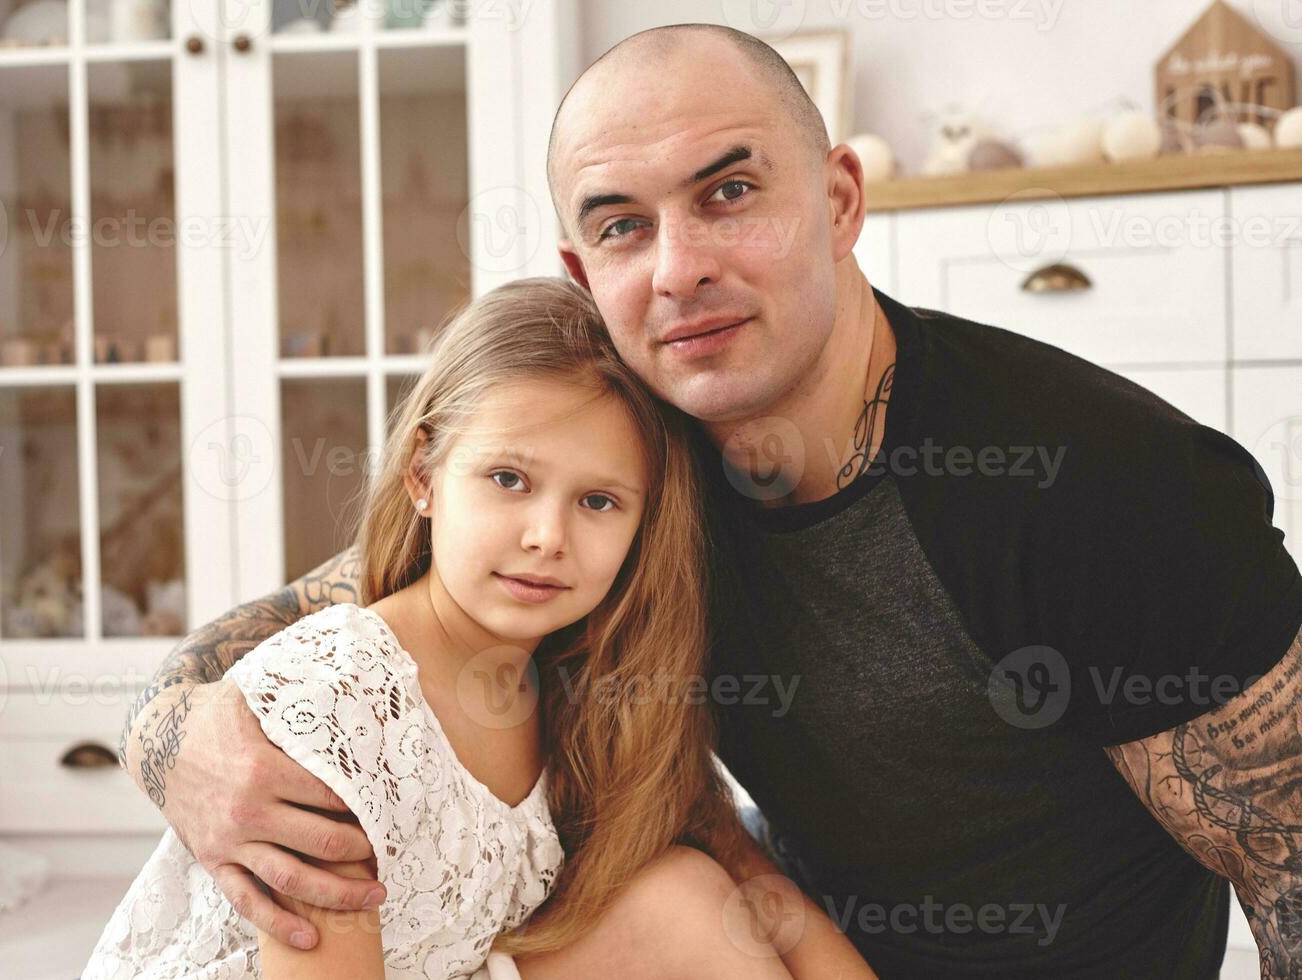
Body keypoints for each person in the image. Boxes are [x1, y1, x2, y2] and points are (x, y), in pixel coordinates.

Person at [119, 22, 1302, 979]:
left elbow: (1289, 859)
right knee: (646, 892)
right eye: (623, 224)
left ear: (840, 202)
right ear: (586, 273)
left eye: (728, 191)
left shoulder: (1099, 478)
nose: (677, 266)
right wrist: (178, 746)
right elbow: (318, 629)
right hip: (786, 947)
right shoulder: (631, 464)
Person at [87, 276, 874, 978]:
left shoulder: (576, 680)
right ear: (423, 475)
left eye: (598, 501)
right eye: (509, 479)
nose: (547, 536)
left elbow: (748, 879)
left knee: (690, 899)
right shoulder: (345, 693)